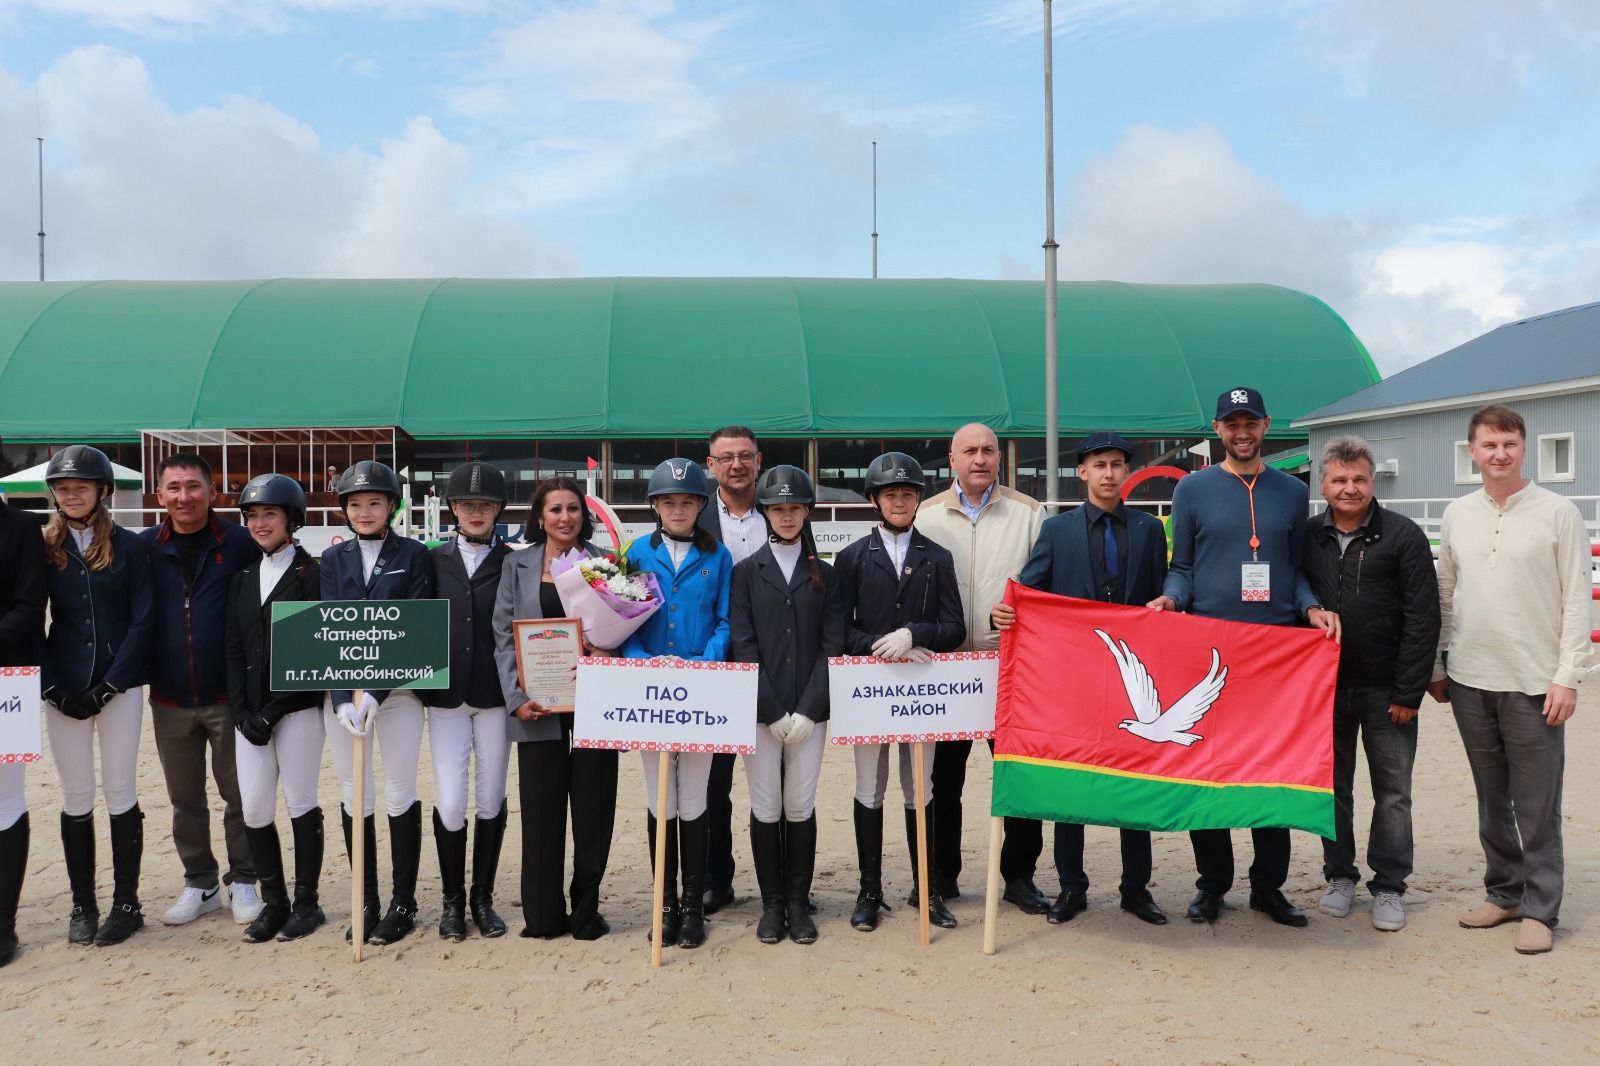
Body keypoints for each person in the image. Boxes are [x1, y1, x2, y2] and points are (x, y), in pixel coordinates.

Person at [1151, 387, 1338, 927]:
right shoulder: (1192, 490)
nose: (1242, 432)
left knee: (1270, 771)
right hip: (1209, 650)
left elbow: (1295, 567)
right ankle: (1212, 885)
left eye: (1250, 422)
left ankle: (1268, 887)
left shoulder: (1290, 491)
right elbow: (1182, 565)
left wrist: (1310, 608)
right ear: (1217, 428)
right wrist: (1171, 598)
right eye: (1232, 423)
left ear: (1265, 424)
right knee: (1209, 774)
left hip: (1276, 654)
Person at [1427, 404, 1591, 955]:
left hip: (1534, 681)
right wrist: (1438, 663)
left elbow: (1575, 601)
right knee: (1491, 796)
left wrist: (1568, 676)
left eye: (1510, 444)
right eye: (1489, 445)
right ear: (1471, 451)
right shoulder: (1457, 514)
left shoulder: (1558, 512)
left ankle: (1541, 908)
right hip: (1471, 678)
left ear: (1524, 448)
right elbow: (1446, 594)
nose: (1500, 454)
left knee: (1537, 801)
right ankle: (1505, 892)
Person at [992, 432, 1170, 925]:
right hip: (1075, 682)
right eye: (1100, 464)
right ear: (1082, 473)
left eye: (1117, 464)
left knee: (1136, 781)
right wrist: (1004, 611)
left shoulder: (1150, 531)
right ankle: (1072, 887)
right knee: (1072, 783)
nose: (1109, 473)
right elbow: (1030, 589)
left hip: (1135, 679)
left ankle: (1136, 888)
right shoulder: (1058, 531)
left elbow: (1162, 600)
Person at [1301, 437, 1439, 933]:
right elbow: (1296, 597)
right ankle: (1339, 876)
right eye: (1339, 479)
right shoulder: (1307, 537)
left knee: (1393, 792)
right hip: (1326, 692)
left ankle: (1389, 885)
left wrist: (1408, 692)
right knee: (1333, 790)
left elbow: (1423, 618)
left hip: (1386, 692)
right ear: (1323, 484)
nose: (1350, 488)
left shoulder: (1403, 536)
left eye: (1358, 478)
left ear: (1372, 480)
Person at [833, 451, 966, 933]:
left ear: (918, 500)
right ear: (875, 499)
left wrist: (915, 633)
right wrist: (875, 645)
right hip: (870, 692)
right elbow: (837, 632)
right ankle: (870, 891)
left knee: (921, 789)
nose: (900, 501)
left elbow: (955, 626)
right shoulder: (850, 559)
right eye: (891, 494)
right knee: (870, 788)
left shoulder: (937, 557)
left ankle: (927, 889)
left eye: (908, 494)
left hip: (920, 689)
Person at [917, 423, 1045, 911]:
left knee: (1016, 777)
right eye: (969, 450)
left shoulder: (1029, 514)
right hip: (945, 670)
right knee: (942, 781)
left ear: (999, 458)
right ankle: (942, 875)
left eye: (988, 450)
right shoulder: (926, 516)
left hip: (1008, 667)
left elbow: (1044, 587)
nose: (979, 458)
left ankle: (1019, 876)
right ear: (951, 458)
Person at [494, 476, 618, 941]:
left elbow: (620, 628)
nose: (565, 517)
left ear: (583, 515)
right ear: (539, 517)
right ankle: (543, 916)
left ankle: (587, 913)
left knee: (593, 810)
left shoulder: (604, 563)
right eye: (555, 509)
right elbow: (504, 635)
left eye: (572, 508)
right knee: (542, 811)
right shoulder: (516, 565)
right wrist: (516, 698)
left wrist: (606, 653)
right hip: (538, 705)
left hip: (594, 704)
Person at [139, 452, 260, 926]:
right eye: (173, 488)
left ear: (213, 491)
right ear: (160, 494)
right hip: (168, 697)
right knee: (185, 800)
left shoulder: (240, 543)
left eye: (193, 486)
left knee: (240, 796)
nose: (183, 496)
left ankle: (244, 880)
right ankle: (201, 882)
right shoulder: (144, 546)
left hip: (228, 696)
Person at [40, 446, 154, 947]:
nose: (72, 495)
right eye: (63, 489)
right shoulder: (42, 545)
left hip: (119, 687)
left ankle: (126, 902)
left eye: (81, 487)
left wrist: (112, 683)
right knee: (76, 793)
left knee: (120, 789)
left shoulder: (131, 548)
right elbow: (28, 616)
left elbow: (144, 619)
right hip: (62, 686)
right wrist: (49, 686)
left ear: (101, 491)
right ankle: (82, 903)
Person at [321, 460, 436, 945]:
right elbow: (326, 630)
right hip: (347, 695)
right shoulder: (332, 559)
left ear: (391, 506)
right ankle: (364, 899)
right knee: (353, 792)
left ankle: (403, 901)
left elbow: (413, 629)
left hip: (399, 694)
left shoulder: (414, 554)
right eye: (355, 504)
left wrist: (377, 692)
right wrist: (341, 696)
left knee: (396, 790)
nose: (364, 511)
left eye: (374, 503)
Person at [621, 458, 733, 950]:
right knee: (658, 797)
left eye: (687, 502)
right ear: (655, 506)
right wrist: (641, 659)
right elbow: (619, 617)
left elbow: (726, 620)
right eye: (670, 502)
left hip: (700, 686)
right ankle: (662, 904)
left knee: (694, 798)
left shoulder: (719, 556)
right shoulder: (635, 554)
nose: (679, 509)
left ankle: (692, 906)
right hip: (650, 688)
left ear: (700, 507)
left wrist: (705, 661)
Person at [729, 466, 844, 945]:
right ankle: (771, 903)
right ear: (766, 513)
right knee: (766, 805)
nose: (787, 516)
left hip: (809, 711)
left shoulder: (828, 575)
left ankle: (799, 902)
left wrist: (810, 706)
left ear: (806, 511)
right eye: (778, 509)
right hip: (762, 712)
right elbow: (743, 642)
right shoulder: (744, 573)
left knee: (799, 804)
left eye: (795, 508)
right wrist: (772, 708)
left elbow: (831, 645)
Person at [224, 473, 327, 944]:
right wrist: (243, 712)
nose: (260, 523)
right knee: (256, 807)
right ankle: (274, 901)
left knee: (301, 801)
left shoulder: (312, 574)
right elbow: (232, 649)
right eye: (253, 516)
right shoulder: (242, 578)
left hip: (298, 710)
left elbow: (313, 651)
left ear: (291, 519)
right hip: (251, 715)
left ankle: (307, 902)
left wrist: (273, 711)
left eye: (269, 514)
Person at [424, 462, 512, 941]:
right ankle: (452, 902)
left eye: (485, 505)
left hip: (496, 695)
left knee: (491, 796)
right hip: (446, 697)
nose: (476, 512)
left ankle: (483, 898)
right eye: (466, 504)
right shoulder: (431, 559)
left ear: (498, 509)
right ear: (453, 508)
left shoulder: (515, 560)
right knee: (452, 800)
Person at [695, 426, 764, 915]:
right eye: (726, 458)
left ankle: (779, 884)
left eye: (744, 456)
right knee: (713, 785)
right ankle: (716, 879)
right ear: (711, 464)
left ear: (758, 460)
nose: (736, 465)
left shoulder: (788, 511)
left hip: (770, 667)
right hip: (713, 670)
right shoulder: (690, 518)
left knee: (773, 782)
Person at [0, 481, 47, 965]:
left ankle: (3, 924)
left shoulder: (20, 528)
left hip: (5, 679)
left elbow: (29, 607)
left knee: (5, 800)